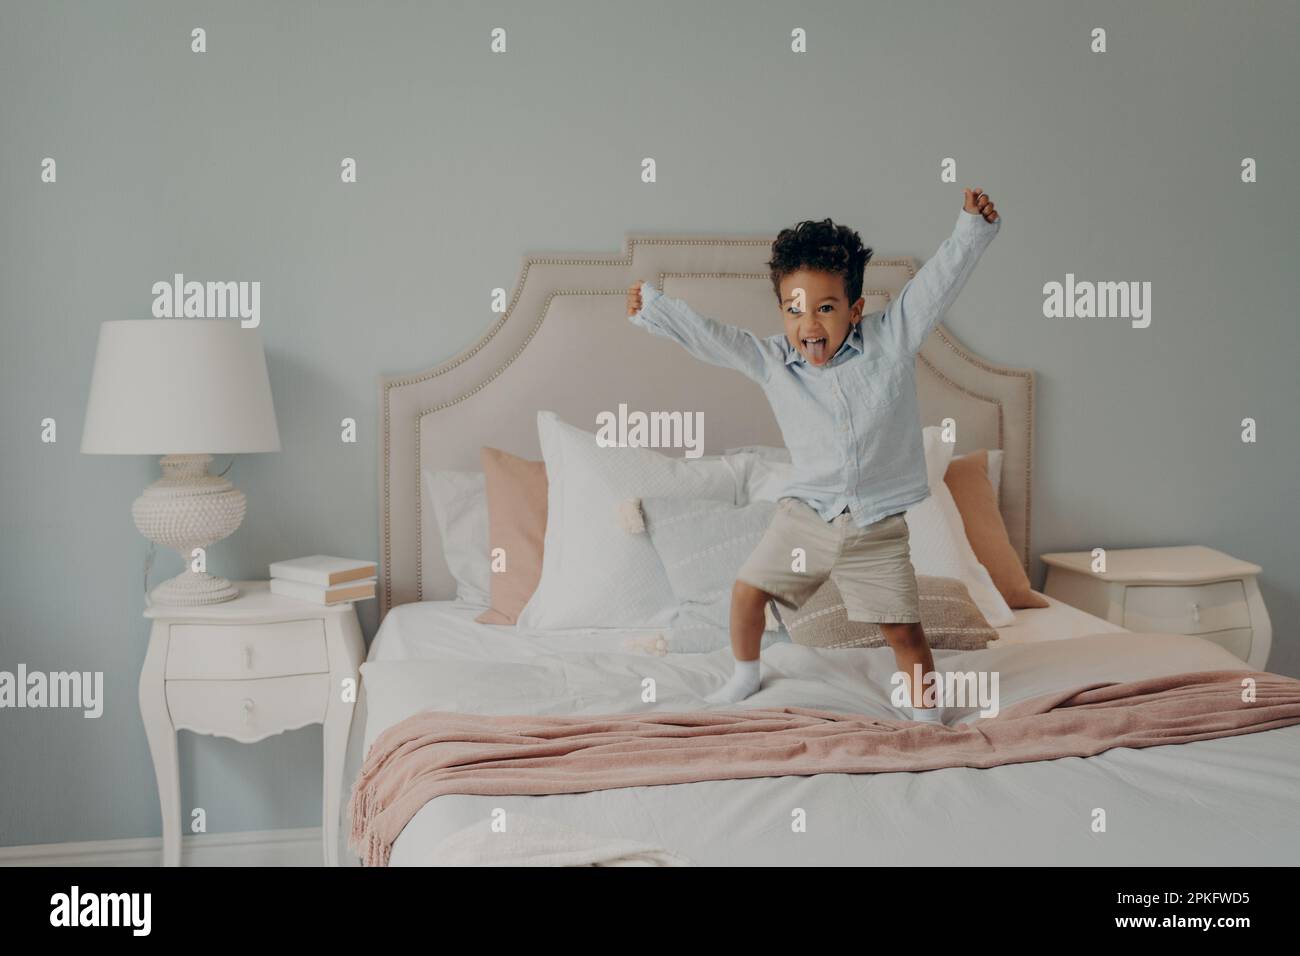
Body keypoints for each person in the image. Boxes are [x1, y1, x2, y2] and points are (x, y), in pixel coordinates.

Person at [626, 189, 1001, 722]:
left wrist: (971, 229)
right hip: (807, 517)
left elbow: (934, 288)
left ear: (855, 308)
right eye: (794, 310)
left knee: (903, 631)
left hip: (874, 525)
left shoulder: (890, 340)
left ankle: (925, 720)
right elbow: (714, 339)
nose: (809, 326)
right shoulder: (773, 361)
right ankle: (745, 674)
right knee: (747, 594)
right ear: (782, 310)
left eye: (825, 309)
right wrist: (657, 311)